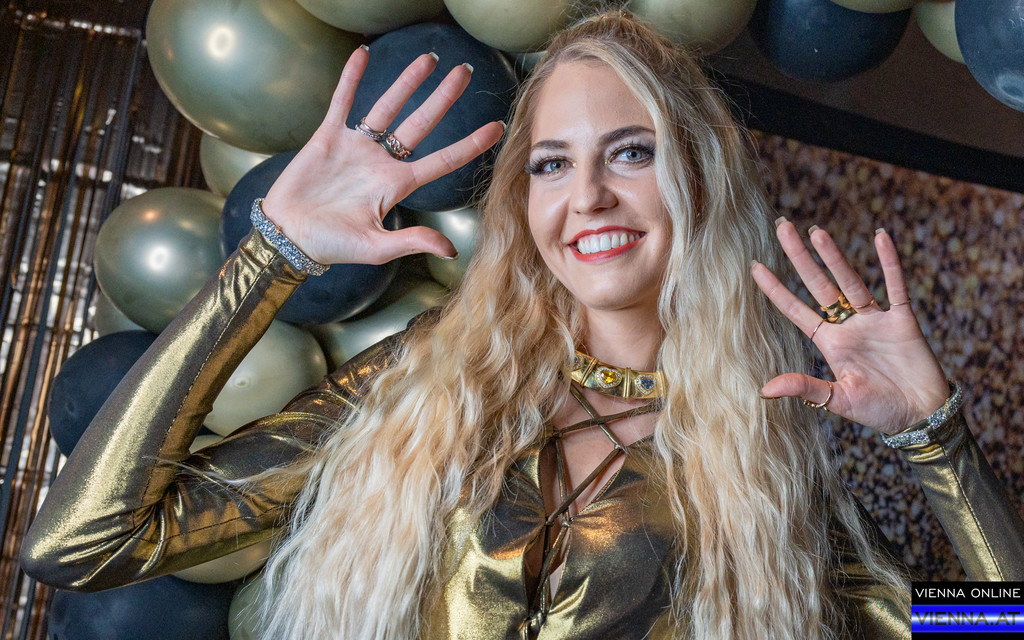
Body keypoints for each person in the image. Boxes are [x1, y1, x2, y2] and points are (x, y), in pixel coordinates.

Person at [20, 11, 1024, 640]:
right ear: (522, 200)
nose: (586, 195)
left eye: (630, 152)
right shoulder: (428, 382)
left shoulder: (758, 463)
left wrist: (934, 439)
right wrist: (269, 256)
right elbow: (79, 543)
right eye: (551, 163)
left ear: (699, 183)